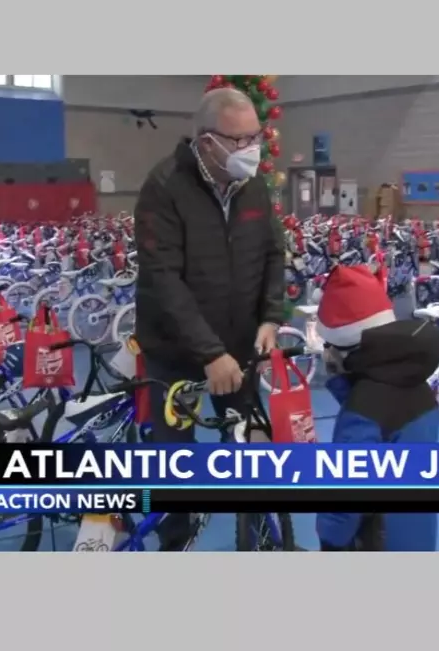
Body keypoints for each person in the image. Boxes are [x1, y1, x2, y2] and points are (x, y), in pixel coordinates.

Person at [133, 88, 286, 549]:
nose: (250, 150)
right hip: (177, 353)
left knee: (252, 448)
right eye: (238, 141)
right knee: (175, 462)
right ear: (206, 142)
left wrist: (270, 319)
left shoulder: (253, 185)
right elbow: (164, 280)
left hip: (240, 346)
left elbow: (273, 253)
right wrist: (208, 352)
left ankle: (259, 539)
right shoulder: (163, 187)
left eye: (255, 138)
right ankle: (175, 543)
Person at [313, 264, 439, 551]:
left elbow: (343, 506)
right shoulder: (417, 384)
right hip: (417, 536)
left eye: (328, 344)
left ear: (342, 346)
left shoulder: (363, 411)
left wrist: (329, 538)